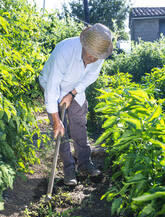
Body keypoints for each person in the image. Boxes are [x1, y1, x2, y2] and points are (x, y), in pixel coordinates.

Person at [39, 23, 113, 186]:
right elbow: (52, 87)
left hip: (75, 89)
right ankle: (68, 168)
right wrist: (56, 120)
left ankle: (85, 163)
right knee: (61, 131)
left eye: (97, 56)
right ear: (84, 44)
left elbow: (91, 76)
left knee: (79, 123)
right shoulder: (64, 51)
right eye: (91, 54)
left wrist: (72, 93)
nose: (94, 59)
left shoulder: (99, 53)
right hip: (53, 86)